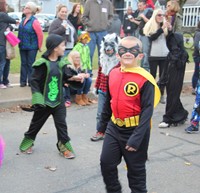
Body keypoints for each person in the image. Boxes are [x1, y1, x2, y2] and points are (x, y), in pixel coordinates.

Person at [98, 36, 160, 192]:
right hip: (114, 127)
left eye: (133, 50)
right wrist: (102, 125)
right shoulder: (112, 73)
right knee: (106, 163)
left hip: (135, 130)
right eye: (123, 49)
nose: (127, 53)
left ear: (140, 55)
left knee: (136, 174)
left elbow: (147, 110)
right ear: (117, 54)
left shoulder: (144, 79)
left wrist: (137, 138)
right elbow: (108, 101)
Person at [19, 34, 84, 159]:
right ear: (55, 48)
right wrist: (37, 99)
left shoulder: (62, 63)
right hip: (44, 102)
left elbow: (66, 77)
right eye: (63, 45)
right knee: (36, 124)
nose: (65, 48)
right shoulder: (41, 64)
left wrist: (76, 78)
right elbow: (34, 82)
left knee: (62, 125)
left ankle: (64, 148)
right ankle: (28, 142)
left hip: (59, 102)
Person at [90, 33, 120, 141]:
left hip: (115, 91)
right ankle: (100, 131)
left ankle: (112, 132)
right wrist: (96, 86)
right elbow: (100, 74)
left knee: (114, 113)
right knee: (100, 112)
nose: (108, 49)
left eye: (111, 47)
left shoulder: (119, 63)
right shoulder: (102, 60)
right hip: (103, 89)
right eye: (106, 47)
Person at [48, 3, 77, 107]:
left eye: (65, 12)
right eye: (62, 12)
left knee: (69, 72)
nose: (64, 13)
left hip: (71, 49)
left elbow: (73, 33)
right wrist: (62, 28)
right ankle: (64, 98)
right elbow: (51, 34)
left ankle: (69, 96)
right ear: (58, 12)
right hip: (62, 50)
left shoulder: (67, 21)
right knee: (63, 74)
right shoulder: (56, 22)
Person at [158, 32, 189, 128]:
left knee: (172, 97)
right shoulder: (170, 54)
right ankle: (181, 114)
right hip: (169, 78)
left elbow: (180, 65)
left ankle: (168, 118)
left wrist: (176, 55)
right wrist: (162, 80)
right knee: (173, 97)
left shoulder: (183, 54)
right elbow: (166, 68)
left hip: (177, 79)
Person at [143, 9, 172, 104]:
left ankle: (161, 94)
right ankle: (151, 94)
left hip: (164, 54)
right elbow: (152, 37)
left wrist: (170, 30)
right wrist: (161, 28)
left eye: (163, 15)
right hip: (153, 55)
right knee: (152, 75)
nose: (161, 17)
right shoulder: (151, 26)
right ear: (155, 16)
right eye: (159, 15)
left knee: (163, 76)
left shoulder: (164, 25)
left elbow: (169, 39)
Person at [82, 0, 113, 74]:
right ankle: (88, 73)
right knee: (89, 53)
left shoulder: (108, 3)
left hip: (103, 32)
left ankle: (103, 73)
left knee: (103, 54)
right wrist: (90, 24)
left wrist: (107, 24)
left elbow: (111, 16)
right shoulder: (89, 2)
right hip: (91, 33)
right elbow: (84, 17)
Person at [18, 1, 43, 87]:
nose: (24, 8)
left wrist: (39, 46)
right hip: (22, 46)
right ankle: (23, 81)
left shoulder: (34, 21)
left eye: (26, 7)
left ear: (31, 10)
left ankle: (31, 81)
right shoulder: (23, 19)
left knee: (30, 64)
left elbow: (40, 34)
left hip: (32, 46)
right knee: (23, 63)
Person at [129, 0, 153, 71]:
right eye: (138, 6)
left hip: (146, 34)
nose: (139, 7)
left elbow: (150, 22)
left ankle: (146, 67)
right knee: (141, 51)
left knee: (145, 51)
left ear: (145, 5)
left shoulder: (149, 11)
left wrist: (143, 16)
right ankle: (142, 66)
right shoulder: (141, 12)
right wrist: (133, 21)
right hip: (141, 33)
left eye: (140, 6)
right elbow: (141, 24)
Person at [0, 1, 17, 89]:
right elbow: (13, 21)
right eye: (6, 4)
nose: (7, 6)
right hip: (2, 43)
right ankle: (1, 82)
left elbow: (10, 26)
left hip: (5, 43)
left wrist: (9, 27)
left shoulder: (3, 16)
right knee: (2, 63)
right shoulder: (2, 15)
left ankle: (5, 81)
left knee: (7, 62)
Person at [191, 21, 200, 94]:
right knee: (197, 72)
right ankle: (194, 88)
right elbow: (197, 45)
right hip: (197, 56)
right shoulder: (198, 33)